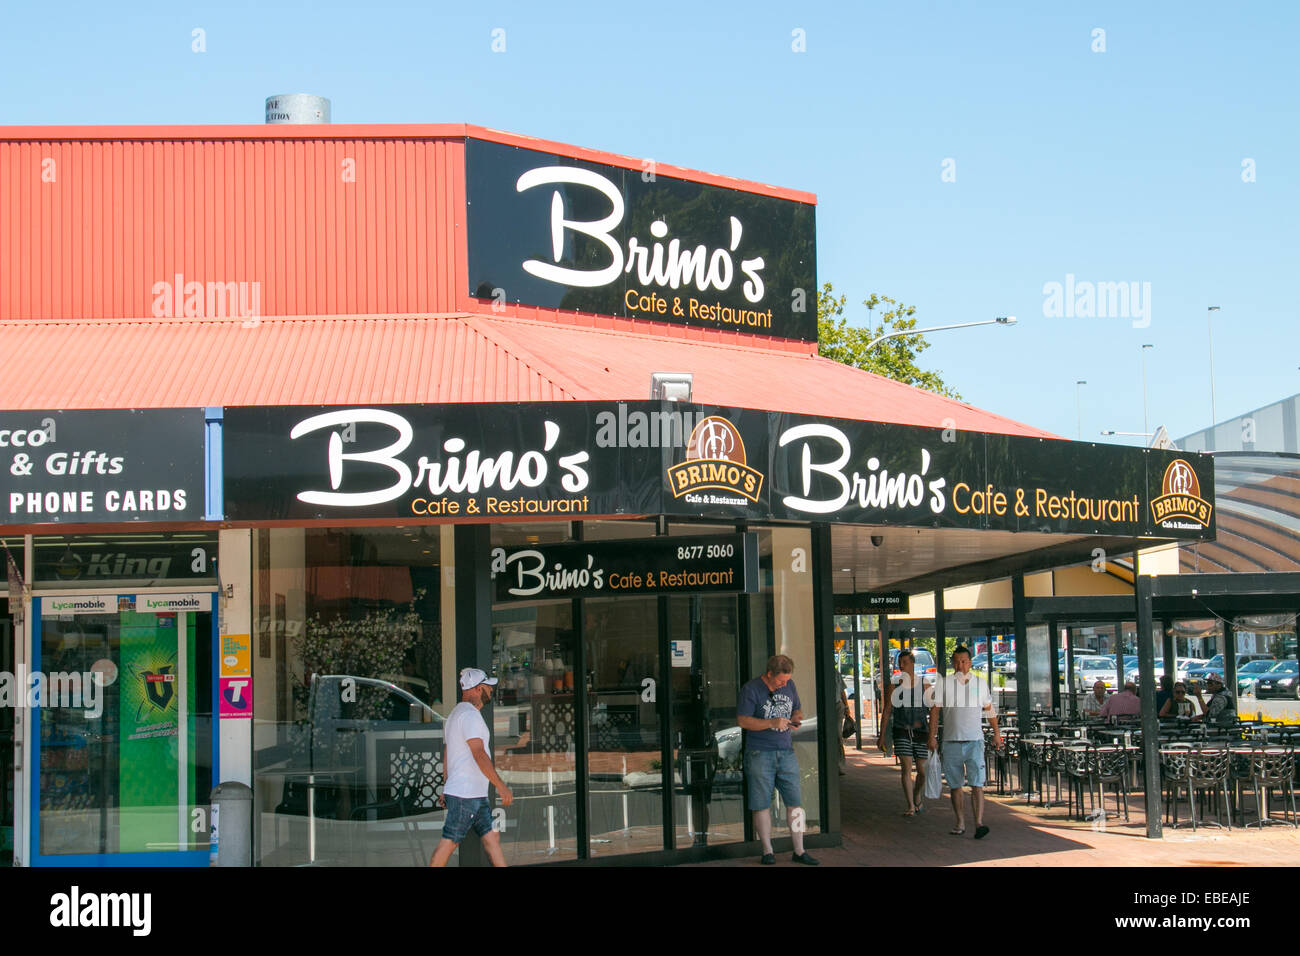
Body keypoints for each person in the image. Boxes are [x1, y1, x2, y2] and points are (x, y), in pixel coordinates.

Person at [737, 654, 818, 865]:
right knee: (761, 803)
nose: (784, 684)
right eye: (780, 680)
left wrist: (797, 718)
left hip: (786, 750)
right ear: (769, 674)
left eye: (787, 680)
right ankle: (767, 851)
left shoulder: (789, 685)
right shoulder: (751, 689)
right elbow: (743, 720)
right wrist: (771, 723)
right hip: (759, 752)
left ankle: (799, 850)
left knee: (795, 803)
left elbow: (797, 708)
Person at [429, 668, 514, 867]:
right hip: (466, 795)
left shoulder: (456, 714)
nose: (491, 690)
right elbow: (479, 753)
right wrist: (500, 785)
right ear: (476, 689)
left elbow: (448, 753)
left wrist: (447, 787)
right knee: (449, 843)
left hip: (473, 794)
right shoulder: (470, 716)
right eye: (487, 686)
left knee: (492, 839)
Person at [928, 646, 1001, 839]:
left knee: (977, 783)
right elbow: (935, 711)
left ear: (970, 662)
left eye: (964, 661)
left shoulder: (979, 683)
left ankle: (978, 822)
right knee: (955, 785)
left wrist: (996, 733)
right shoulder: (944, 684)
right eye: (957, 661)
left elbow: (988, 708)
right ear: (953, 663)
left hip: (975, 741)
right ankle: (960, 821)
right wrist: (932, 736)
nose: (961, 665)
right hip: (951, 741)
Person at [878, 649, 929, 816]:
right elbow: (887, 710)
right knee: (906, 767)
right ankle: (910, 806)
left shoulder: (925, 684)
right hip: (901, 730)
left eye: (905, 662)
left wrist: (933, 733)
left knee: (922, 771)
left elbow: (935, 708)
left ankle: (916, 794)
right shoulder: (894, 685)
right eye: (900, 663)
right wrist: (882, 735)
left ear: (912, 664)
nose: (901, 666)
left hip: (921, 730)